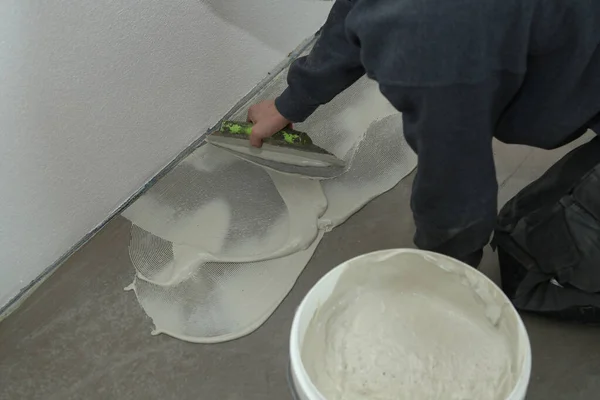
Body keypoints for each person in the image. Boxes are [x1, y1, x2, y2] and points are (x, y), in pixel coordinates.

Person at [246, 0, 600, 267]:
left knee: (534, 268)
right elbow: (358, 11)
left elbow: (454, 187)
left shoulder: (431, 35)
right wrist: (292, 101)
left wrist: (447, 269)